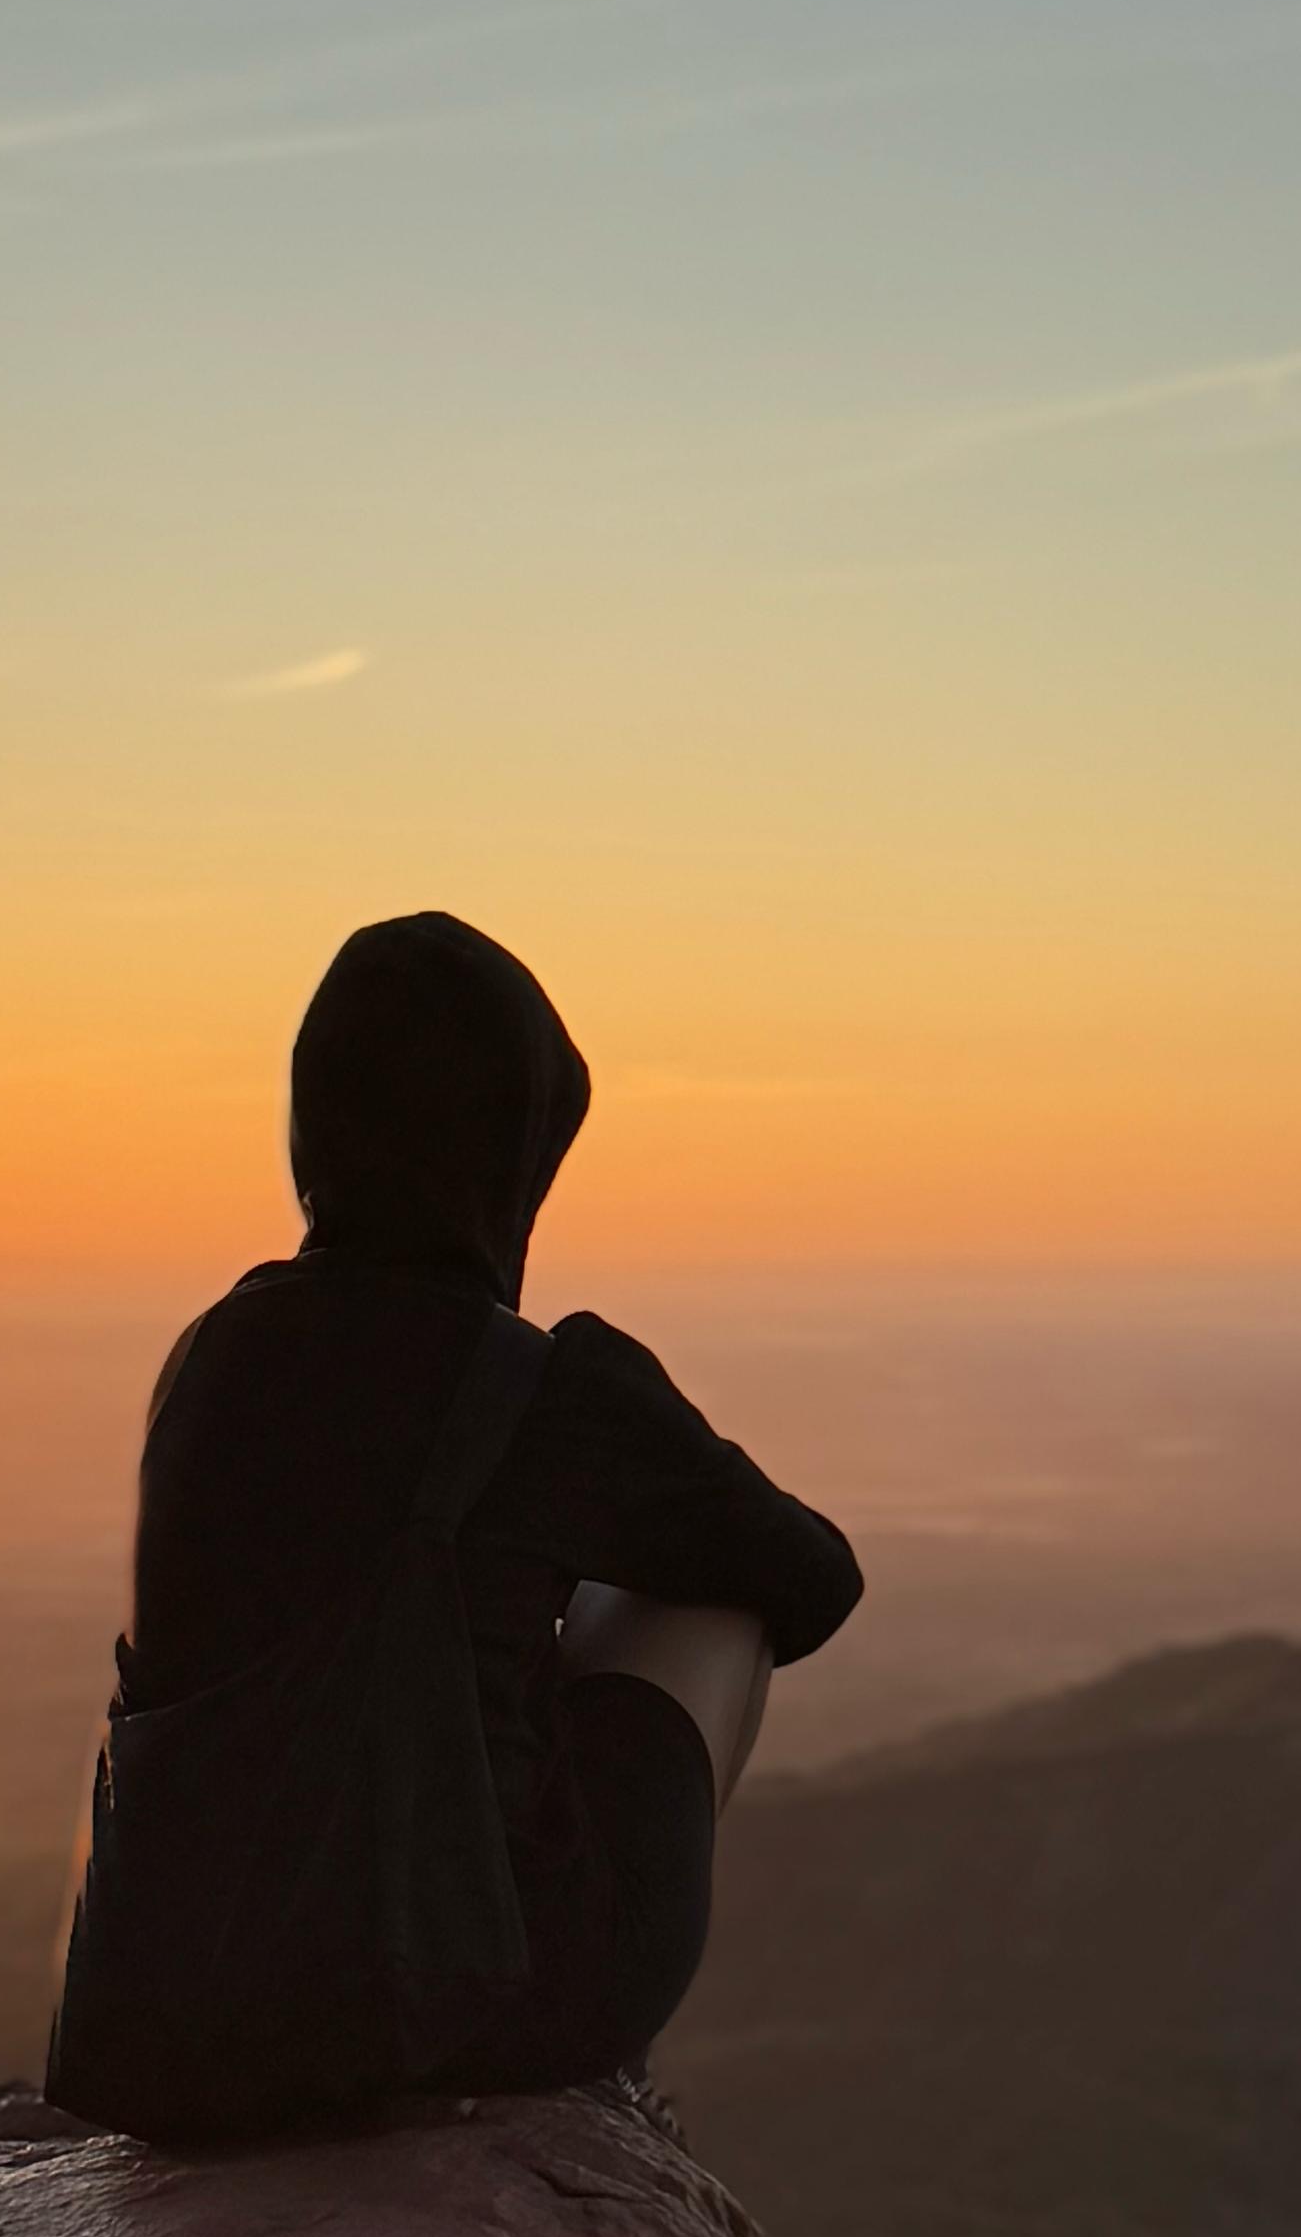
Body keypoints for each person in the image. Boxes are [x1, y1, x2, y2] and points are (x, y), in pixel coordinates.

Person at [46, 910, 862, 2138]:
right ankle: (574, 2077)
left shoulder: (210, 1357)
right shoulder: (537, 1387)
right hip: (451, 2007)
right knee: (706, 1593)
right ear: (510, 1152)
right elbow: (810, 1573)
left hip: (178, 2019)